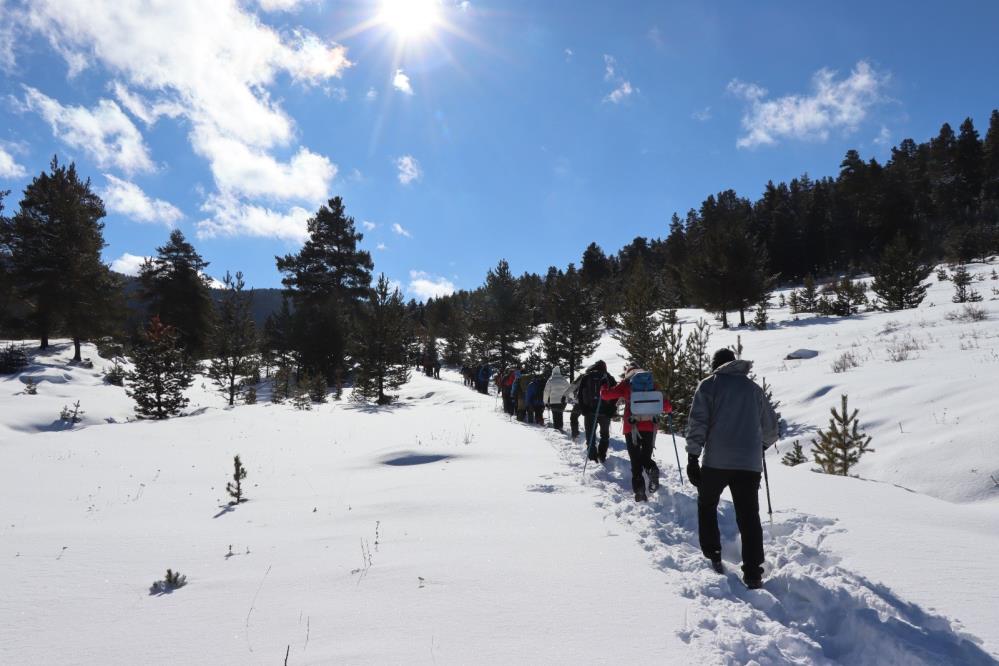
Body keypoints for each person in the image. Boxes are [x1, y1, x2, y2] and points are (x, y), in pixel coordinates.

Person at [685, 348, 779, 590]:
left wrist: (693, 457)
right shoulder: (754, 389)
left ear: (716, 365)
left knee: (707, 504)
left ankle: (714, 554)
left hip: (716, 461)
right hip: (749, 464)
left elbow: (698, 422)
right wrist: (759, 448)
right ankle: (753, 573)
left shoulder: (709, 385)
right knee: (748, 516)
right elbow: (771, 429)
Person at [600, 366, 670, 502]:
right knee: (645, 458)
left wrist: (603, 386)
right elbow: (667, 406)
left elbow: (606, 395)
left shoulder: (626, 384)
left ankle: (640, 492)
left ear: (628, 374)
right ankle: (652, 469)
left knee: (635, 462)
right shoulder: (652, 384)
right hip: (650, 426)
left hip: (631, 426)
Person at [577, 360, 617, 462]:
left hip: (589, 411)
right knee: (604, 435)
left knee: (590, 435)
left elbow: (580, 394)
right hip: (605, 412)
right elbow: (616, 394)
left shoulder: (586, 377)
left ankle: (592, 458)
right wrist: (612, 408)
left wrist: (583, 408)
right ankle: (602, 455)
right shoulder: (609, 377)